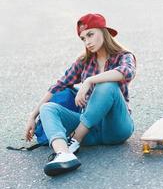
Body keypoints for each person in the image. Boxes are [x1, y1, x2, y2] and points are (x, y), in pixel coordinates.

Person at [25, 13, 136, 176]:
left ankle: (75, 140)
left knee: (107, 85)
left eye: (90, 34)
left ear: (103, 32)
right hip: (90, 130)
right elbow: (58, 86)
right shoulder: (83, 61)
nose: (87, 42)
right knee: (47, 108)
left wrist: (89, 80)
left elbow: (126, 72)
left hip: (116, 128)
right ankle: (64, 154)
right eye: (83, 38)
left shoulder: (124, 56)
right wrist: (32, 116)